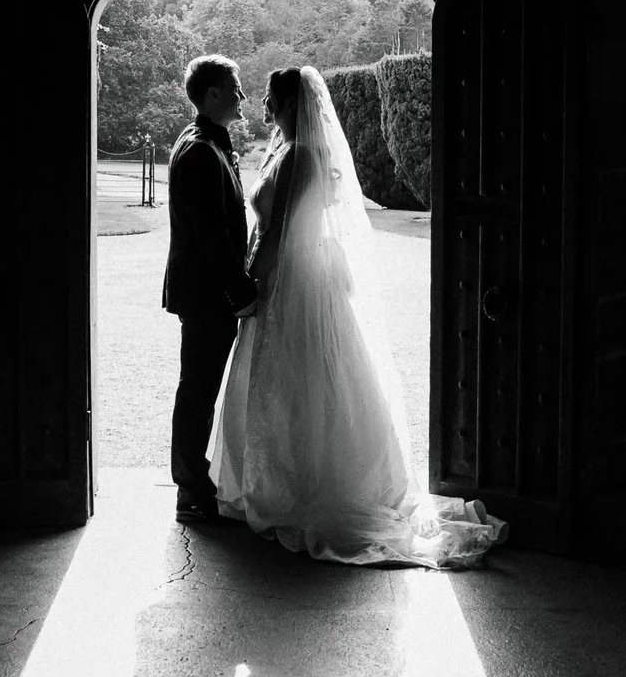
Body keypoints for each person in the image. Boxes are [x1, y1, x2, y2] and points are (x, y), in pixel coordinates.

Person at [210, 66, 505, 567]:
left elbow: (279, 230)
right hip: (298, 271)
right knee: (300, 380)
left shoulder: (301, 154)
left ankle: (303, 484)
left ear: (287, 104)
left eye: (272, 100)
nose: (266, 107)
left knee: (299, 379)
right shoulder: (291, 150)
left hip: (290, 278)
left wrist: (250, 283)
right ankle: (281, 477)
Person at [161, 54, 258, 523]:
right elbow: (211, 237)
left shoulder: (208, 142)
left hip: (205, 293)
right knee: (197, 389)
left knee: (199, 387)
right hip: (205, 295)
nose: (241, 96)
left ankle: (194, 481)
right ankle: (190, 489)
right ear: (214, 92)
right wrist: (241, 293)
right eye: (235, 87)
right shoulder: (200, 149)